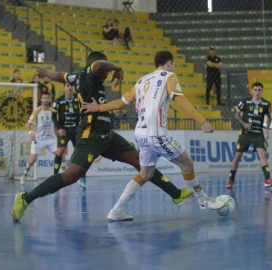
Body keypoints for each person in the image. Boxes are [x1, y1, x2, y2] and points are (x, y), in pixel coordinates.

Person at [12, 51, 193, 222]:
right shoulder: (92, 72)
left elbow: (62, 76)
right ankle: (25, 198)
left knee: (141, 162)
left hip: (107, 135)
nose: (106, 74)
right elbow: (99, 65)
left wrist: (47, 73)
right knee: (70, 176)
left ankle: (176, 194)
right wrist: (116, 68)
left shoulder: (77, 76)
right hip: (91, 135)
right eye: (105, 70)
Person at [83, 50, 225, 221]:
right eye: (173, 64)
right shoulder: (169, 76)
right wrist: (202, 121)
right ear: (169, 63)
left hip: (140, 134)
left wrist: (98, 107)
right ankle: (203, 200)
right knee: (187, 164)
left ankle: (116, 210)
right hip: (156, 133)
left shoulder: (141, 81)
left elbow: (121, 102)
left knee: (146, 174)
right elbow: (180, 100)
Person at [226, 82, 272, 189]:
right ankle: (231, 180)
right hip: (245, 134)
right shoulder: (245, 101)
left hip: (258, 133)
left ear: (262, 91)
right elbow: (236, 113)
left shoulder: (266, 104)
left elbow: (269, 117)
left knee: (262, 155)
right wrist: (244, 124)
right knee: (237, 157)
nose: (257, 92)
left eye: (259, 90)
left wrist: (267, 130)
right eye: (255, 90)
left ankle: (267, 179)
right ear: (252, 91)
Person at [52, 82, 87, 188]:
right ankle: (55, 177)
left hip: (76, 131)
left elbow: (84, 113)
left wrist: (82, 127)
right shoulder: (58, 101)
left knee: (80, 153)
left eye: (71, 86)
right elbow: (53, 116)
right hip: (64, 131)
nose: (70, 88)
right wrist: (58, 128)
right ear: (64, 88)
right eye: (67, 86)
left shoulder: (78, 99)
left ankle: (82, 177)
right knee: (59, 152)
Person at [20, 91, 59, 185]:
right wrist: (30, 133)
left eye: (47, 98)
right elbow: (29, 124)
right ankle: (24, 175)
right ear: (41, 99)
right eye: (44, 98)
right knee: (32, 159)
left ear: (50, 99)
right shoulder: (37, 111)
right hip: (39, 139)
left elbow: (57, 125)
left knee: (60, 155)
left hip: (51, 139)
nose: (46, 100)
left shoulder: (54, 111)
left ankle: (64, 176)